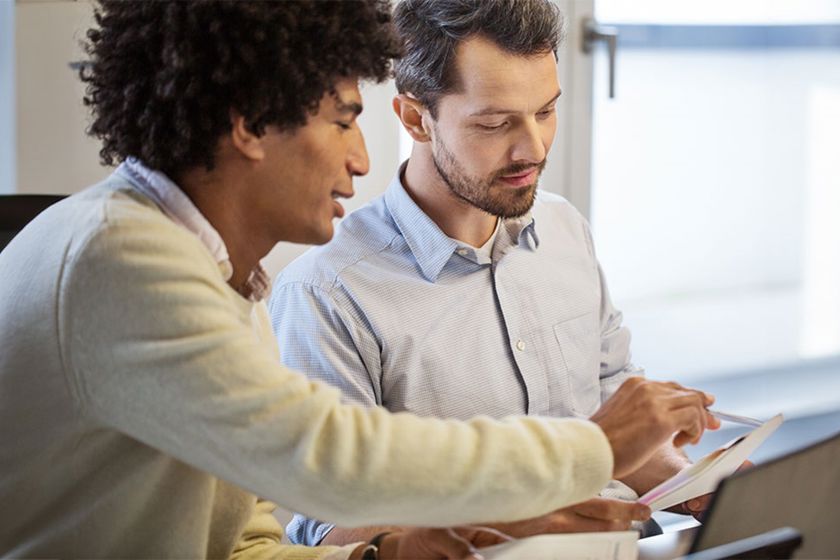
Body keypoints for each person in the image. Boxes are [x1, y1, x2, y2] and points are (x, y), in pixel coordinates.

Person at [0, 1, 718, 558]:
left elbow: (244, 542)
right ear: (250, 125)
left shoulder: (219, 280)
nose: (362, 159)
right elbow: (328, 459)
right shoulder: (121, 262)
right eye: (345, 121)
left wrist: (389, 553)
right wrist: (594, 447)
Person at [270, 0, 715, 548]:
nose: (532, 148)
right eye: (495, 123)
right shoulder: (327, 295)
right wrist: (516, 516)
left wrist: (690, 482)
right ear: (415, 118)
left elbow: (611, 408)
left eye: (545, 112)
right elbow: (333, 534)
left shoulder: (562, 228)